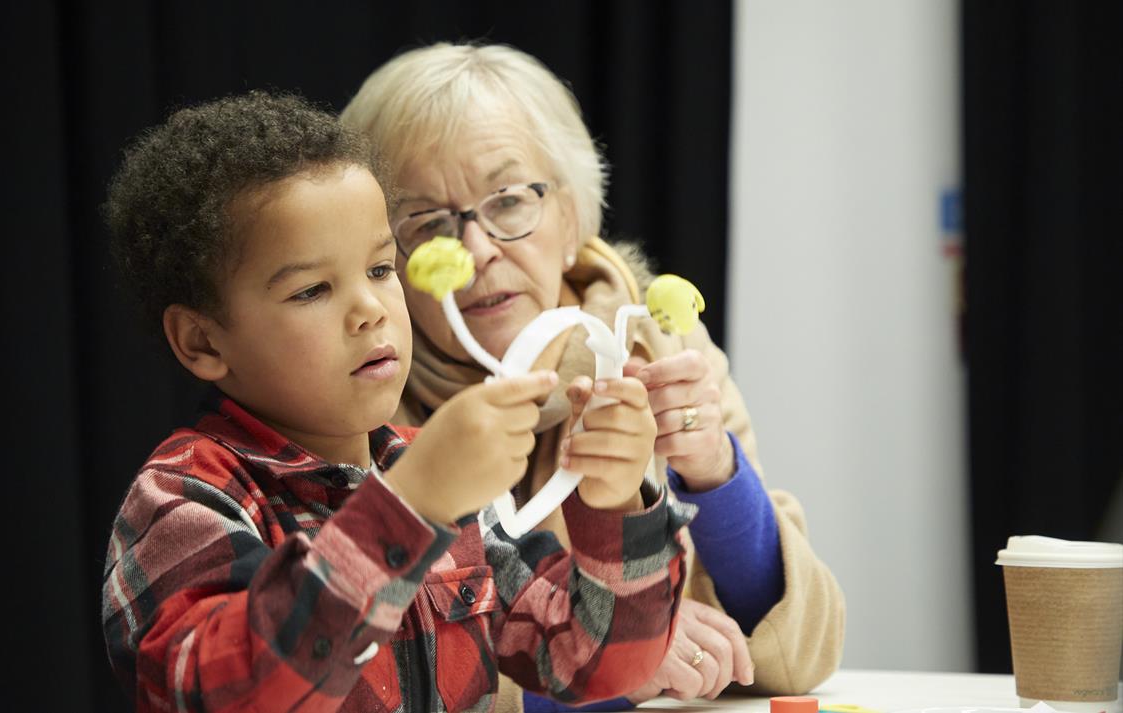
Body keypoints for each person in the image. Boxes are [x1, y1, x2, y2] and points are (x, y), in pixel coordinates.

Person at [100, 91, 697, 712]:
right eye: (311, 291)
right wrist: (410, 505)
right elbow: (239, 693)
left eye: (382, 269)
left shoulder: (438, 482)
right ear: (201, 341)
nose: (370, 310)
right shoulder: (184, 499)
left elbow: (597, 664)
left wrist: (617, 501)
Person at [342, 42, 846, 710]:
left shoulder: (653, 342)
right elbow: (352, 676)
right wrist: (614, 661)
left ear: (573, 214)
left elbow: (792, 657)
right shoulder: (353, 398)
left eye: (509, 200)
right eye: (427, 222)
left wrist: (716, 473)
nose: (478, 249)